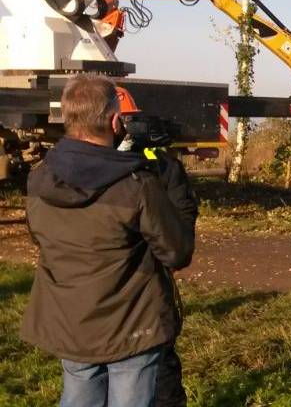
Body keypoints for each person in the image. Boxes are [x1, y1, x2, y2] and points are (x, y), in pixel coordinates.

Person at [22, 75, 192, 407]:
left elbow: (39, 235)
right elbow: (177, 252)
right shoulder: (137, 184)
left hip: (68, 320)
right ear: (116, 121)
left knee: (79, 394)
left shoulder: (39, 178)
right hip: (130, 324)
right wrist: (177, 196)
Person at [115, 86, 199, 407]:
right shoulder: (157, 168)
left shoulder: (161, 167)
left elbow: (183, 225)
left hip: (94, 311)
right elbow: (181, 233)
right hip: (144, 296)